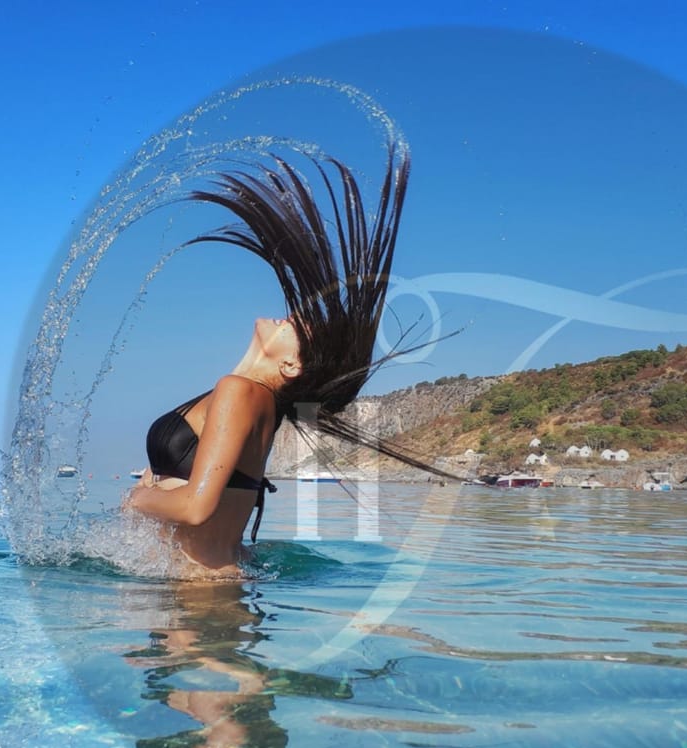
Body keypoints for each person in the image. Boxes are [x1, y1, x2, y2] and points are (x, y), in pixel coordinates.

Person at [127, 142, 447, 577]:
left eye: (304, 328)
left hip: (200, 600)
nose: (295, 315)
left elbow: (196, 508)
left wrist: (138, 499)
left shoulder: (241, 392)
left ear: (292, 366)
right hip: (195, 589)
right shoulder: (252, 399)